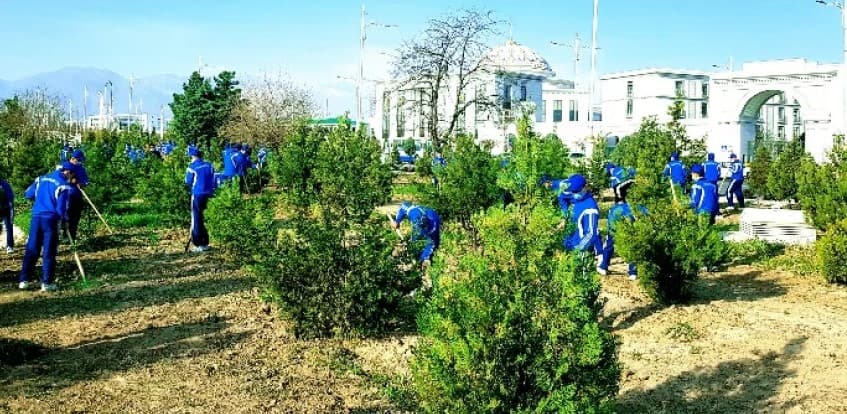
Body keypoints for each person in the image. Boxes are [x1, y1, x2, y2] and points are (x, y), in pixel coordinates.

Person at [19, 163, 75, 292]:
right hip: (50, 220)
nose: (71, 178)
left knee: (32, 249)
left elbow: (28, 194)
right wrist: (65, 220)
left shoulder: (41, 179)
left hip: (36, 217)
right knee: (49, 251)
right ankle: (47, 282)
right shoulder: (63, 185)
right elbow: (61, 209)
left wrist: (41, 200)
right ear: (68, 172)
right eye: (72, 175)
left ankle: (24, 280)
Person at [598, 182, 646, 279]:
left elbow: (610, 223)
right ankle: (633, 272)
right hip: (631, 232)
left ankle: (603, 266)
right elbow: (645, 213)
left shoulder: (614, 209)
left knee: (608, 247)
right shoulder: (634, 207)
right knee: (633, 249)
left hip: (613, 232)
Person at [560, 174, 603, 272]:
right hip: (569, 242)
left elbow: (591, 233)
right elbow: (562, 197)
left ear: (585, 187)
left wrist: (578, 250)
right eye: (572, 192)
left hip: (581, 251)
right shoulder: (574, 193)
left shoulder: (590, 207)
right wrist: (564, 217)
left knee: (579, 279)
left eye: (576, 192)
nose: (574, 194)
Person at [392, 201, 441, 268]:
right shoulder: (412, 211)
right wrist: (397, 221)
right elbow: (403, 207)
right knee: (415, 239)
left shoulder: (433, 226)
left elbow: (431, 243)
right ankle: (408, 253)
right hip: (422, 219)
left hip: (432, 221)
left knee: (432, 243)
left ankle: (423, 260)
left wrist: (424, 258)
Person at [185, 146, 216, 252]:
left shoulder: (192, 167)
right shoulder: (209, 165)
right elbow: (213, 177)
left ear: (191, 156)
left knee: (196, 219)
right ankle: (206, 242)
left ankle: (199, 244)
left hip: (197, 194)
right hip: (210, 194)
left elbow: (188, 182)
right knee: (204, 217)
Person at [62, 149, 89, 242]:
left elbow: (86, 180)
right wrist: (71, 180)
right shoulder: (66, 166)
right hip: (67, 196)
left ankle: (72, 237)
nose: (80, 162)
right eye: (79, 160)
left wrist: (82, 183)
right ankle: (65, 236)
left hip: (78, 196)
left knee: (75, 217)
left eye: (81, 160)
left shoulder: (81, 168)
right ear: (73, 158)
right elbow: (62, 178)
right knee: (66, 216)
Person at [0, 177, 14, 253]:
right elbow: (11, 197)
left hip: (6, 208)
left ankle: (10, 245)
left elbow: (10, 197)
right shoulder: (5, 184)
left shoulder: (4, 184)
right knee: (9, 227)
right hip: (6, 208)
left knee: (9, 227)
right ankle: (10, 246)